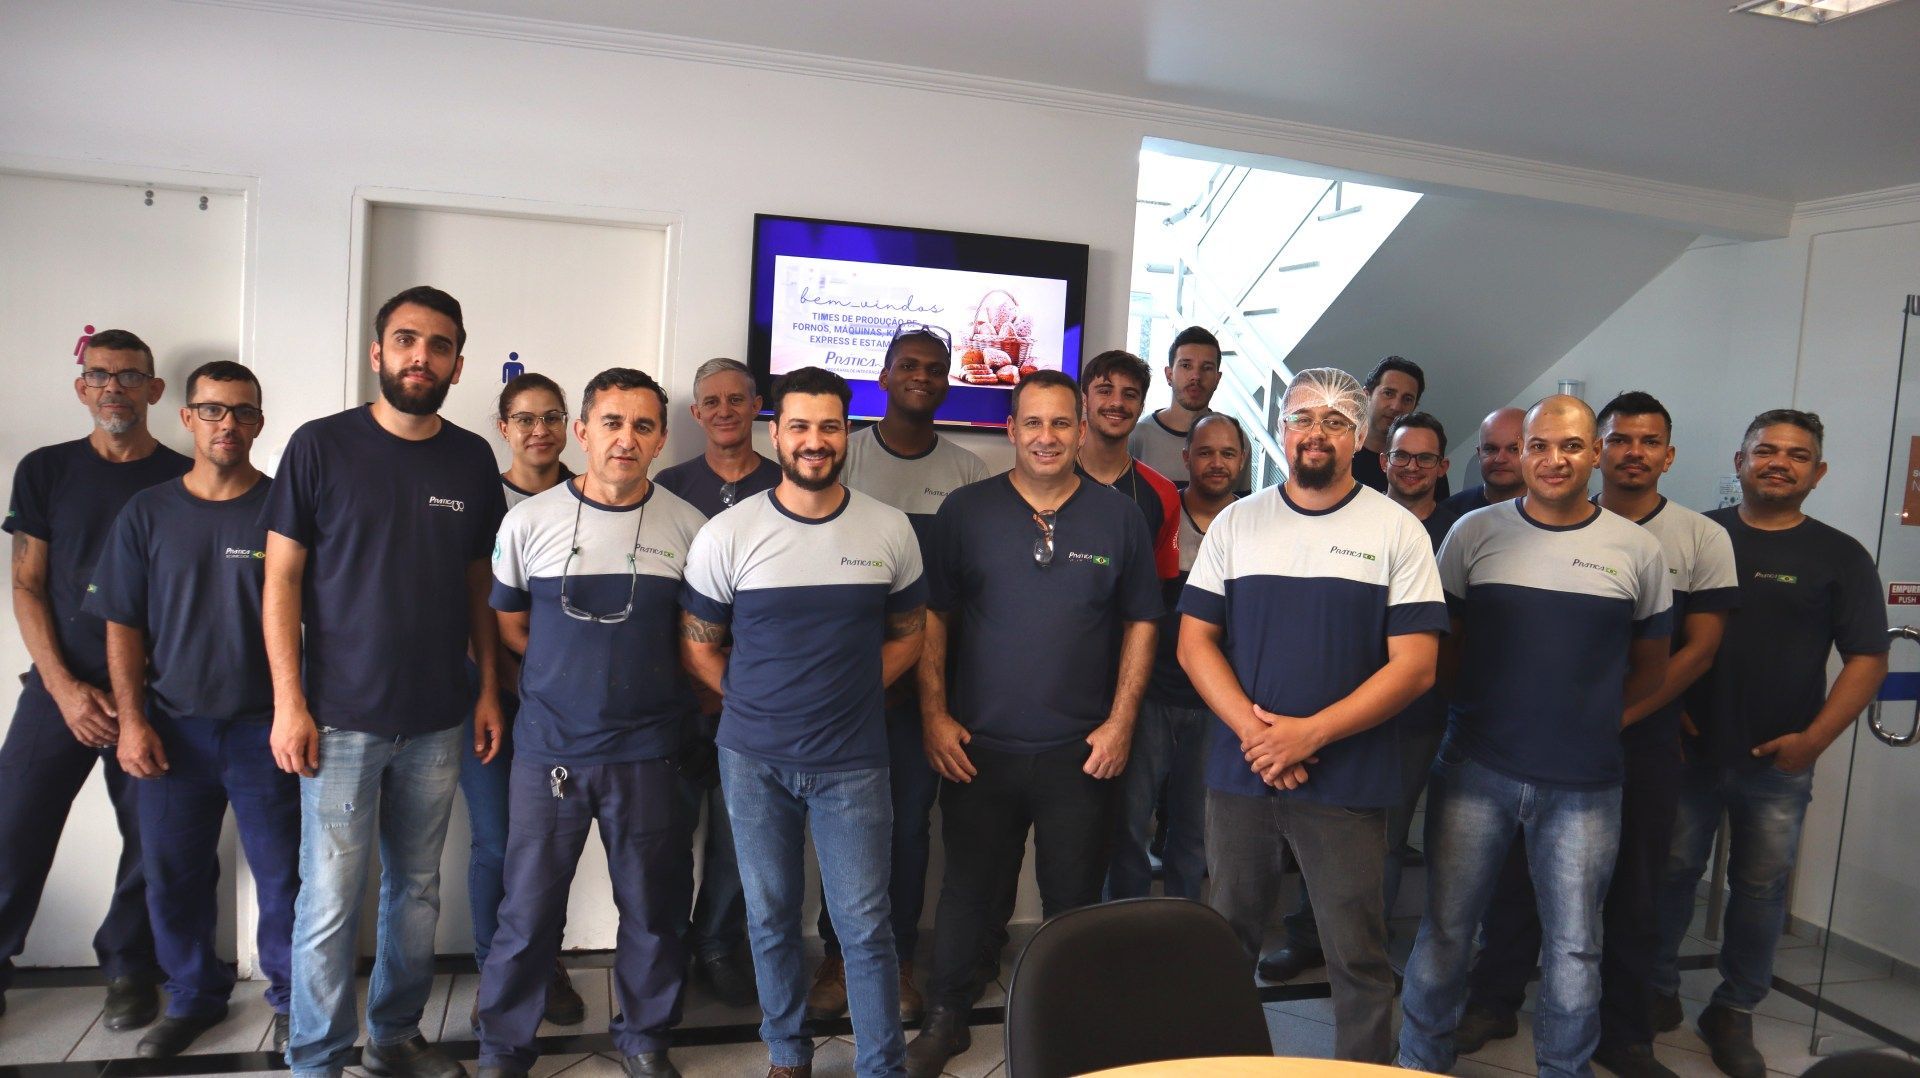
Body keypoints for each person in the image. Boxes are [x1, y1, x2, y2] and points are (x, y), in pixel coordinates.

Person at [1451, 392, 1741, 1078]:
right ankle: (1495, 998)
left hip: (1633, 739)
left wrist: (1616, 718)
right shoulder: (1505, 530)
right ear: (1598, 450)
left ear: (1668, 455)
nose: (1632, 451)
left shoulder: (1694, 538)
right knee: (1516, 882)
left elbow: (1691, 653)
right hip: (1530, 740)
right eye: (1621, 439)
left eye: (1649, 441)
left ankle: (1626, 1033)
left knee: (1635, 889)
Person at [264, 286, 507, 1078]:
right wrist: (289, 701)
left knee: (418, 891)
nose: (420, 357)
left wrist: (487, 690)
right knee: (330, 902)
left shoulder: (471, 458)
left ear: (458, 364)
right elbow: (282, 581)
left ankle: (394, 1036)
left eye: (438, 346)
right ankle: (318, 1058)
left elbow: (482, 584)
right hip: (338, 719)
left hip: (439, 717)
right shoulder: (320, 446)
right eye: (405, 340)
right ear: (377, 353)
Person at [1398, 395, 1673, 1078]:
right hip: (1475, 769)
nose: (1555, 460)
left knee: (1577, 947)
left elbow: (1652, 668)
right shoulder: (1472, 534)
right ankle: (1419, 1062)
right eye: (1540, 446)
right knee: (1447, 932)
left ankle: (1564, 1069)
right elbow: (1445, 651)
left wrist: (1591, 722)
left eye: (1572, 446)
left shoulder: (1638, 550)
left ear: (1596, 453)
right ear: (1519, 456)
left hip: (1585, 784)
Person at [1177, 368, 1446, 1063]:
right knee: (1226, 940)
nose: (1315, 432)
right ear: (1283, 431)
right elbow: (1193, 641)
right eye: (1302, 417)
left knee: (1356, 954)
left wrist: (1309, 735)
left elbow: (1416, 665)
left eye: (1334, 420)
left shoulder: (1396, 530)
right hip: (1242, 774)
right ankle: (1224, 1064)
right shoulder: (1239, 521)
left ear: (1360, 436)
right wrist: (1256, 734)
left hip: (1347, 780)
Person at [905, 369, 1162, 1078]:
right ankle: (948, 1014)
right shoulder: (965, 512)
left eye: (1060, 423)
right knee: (967, 891)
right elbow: (933, 618)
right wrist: (933, 714)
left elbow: (1143, 622)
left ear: (1081, 431)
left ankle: (1068, 1020)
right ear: (1009, 430)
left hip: (1080, 753)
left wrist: (1119, 725)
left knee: (1072, 900)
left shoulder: (1119, 517)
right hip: (978, 748)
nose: (1046, 437)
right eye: (1033, 423)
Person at [680, 366, 926, 1078]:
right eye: (799, 426)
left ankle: (882, 1065)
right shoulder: (730, 533)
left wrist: (847, 691)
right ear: (775, 431)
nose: (814, 441)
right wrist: (757, 700)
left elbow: (910, 634)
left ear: (845, 432)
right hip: (753, 762)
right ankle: (788, 1054)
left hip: (853, 761)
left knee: (864, 925)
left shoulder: (889, 529)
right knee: (770, 917)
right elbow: (699, 645)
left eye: (828, 426)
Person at [476, 368, 706, 1078]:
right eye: (611, 422)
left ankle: (644, 1037)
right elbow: (510, 623)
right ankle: (504, 1049)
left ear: (662, 438)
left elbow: (699, 637)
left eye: (642, 426)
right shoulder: (529, 522)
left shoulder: (690, 528)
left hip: (651, 753)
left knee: (653, 910)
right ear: (582, 432)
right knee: (527, 914)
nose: (625, 439)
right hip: (550, 751)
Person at [1650, 410, 1887, 1078]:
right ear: (1739, 460)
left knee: (1759, 891)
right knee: (1668, 875)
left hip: (1776, 762)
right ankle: (1656, 991)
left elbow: (1868, 658)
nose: (1779, 462)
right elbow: (1650, 637)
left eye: (1797, 454)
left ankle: (1733, 1009)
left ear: (1819, 471)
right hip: (1686, 752)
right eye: (1766, 451)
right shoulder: (1696, 534)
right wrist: (1662, 715)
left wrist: (1813, 741)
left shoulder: (1839, 555)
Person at [82, 362, 295, 1058]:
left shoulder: (285, 511)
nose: (226, 424)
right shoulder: (149, 512)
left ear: (259, 422)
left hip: (267, 729)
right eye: (211, 410)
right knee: (173, 876)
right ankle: (194, 998)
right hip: (173, 727)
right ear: (186, 418)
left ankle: (294, 1000)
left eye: (240, 412)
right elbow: (122, 623)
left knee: (284, 875)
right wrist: (133, 718)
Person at [0, 329, 186, 1027]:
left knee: (151, 840)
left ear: (155, 391)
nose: (114, 388)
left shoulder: (179, 479)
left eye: (130, 376)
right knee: (13, 828)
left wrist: (134, 696)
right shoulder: (45, 470)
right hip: (60, 687)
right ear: (82, 388)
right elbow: (27, 584)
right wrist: (63, 688)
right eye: (100, 376)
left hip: (149, 692)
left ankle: (131, 968)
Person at [806, 325, 988, 1026]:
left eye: (934, 369)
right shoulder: (842, 457)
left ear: (947, 382)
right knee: (842, 827)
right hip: (845, 686)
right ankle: (838, 957)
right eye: (908, 366)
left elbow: (967, 589)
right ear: (881, 377)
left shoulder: (970, 474)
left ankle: (898, 958)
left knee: (909, 829)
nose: (921, 376)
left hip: (923, 692)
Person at [1259, 410, 1465, 987]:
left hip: (1415, 714)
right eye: (1402, 455)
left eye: (1426, 458)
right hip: (1337, 715)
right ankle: (1308, 938)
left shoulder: (1453, 529)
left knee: (1388, 838)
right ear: (1383, 459)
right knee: (1317, 832)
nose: (1413, 466)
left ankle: (1365, 952)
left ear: (1442, 467)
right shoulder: (1350, 514)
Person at [654, 357, 779, 1009]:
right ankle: (668, 950)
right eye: (712, 401)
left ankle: (720, 945)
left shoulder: (790, 486)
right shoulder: (667, 488)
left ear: (757, 405)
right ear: (696, 414)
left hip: (756, 701)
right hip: (676, 700)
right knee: (669, 836)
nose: (725, 410)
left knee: (741, 840)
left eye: (738, 398)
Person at [462, 372, 583, 1029]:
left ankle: (546, 963)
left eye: (552, 417)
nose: (540, 431)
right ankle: (495, 972)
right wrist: (500, 677)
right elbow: (471, 600)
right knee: (496, 840)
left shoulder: (590, 499)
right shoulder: (483, 500)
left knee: (549, 843)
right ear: (503, 428)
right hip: (490, 692)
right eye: (525, 419)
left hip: (563, 704)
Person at [1107, 412, 1247, 901]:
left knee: (1194, 832)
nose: (1216, 462)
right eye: (1205, 451)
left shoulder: (1252, 524)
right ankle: (1121, 934)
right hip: (1150, 695)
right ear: (1186, 457)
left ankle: (1183, 941)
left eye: (1227, 453)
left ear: (1243, 461)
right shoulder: (1159, 511)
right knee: (1128, 827)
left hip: (1219, 705)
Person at [1077, 349, 1180, 580]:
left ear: (1141, 406)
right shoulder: (1052, 476)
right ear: (1084, 400)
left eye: (1130, 394)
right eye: (1105, 391)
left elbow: (1161, 583)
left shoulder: (1163, 493)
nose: (1117, 403)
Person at [1129, 326, 1249, 494]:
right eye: (1186, 365)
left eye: (1206, 367)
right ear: (1169, 374)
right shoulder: (1137, 437)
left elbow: (1241, 509)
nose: (1196, 376)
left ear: (1217, 378)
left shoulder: (1235, 439)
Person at [1350, 356, 1449, 501]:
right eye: (1388, 393)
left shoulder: (1425, 466)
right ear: (1366, 395)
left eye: (1407, 399)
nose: (1396, 406)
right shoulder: (1341, 454)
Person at [1437, 406, 1524, 516]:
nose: (1500, 459)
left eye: (1513, 449)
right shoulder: (1447, 514)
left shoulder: (1551, 512)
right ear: (1479, 454)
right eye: (1491, 449)